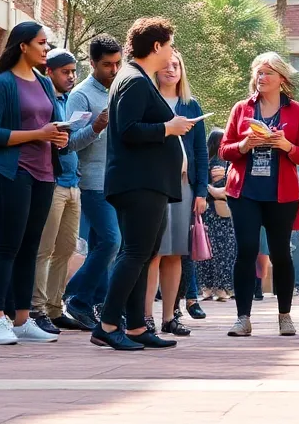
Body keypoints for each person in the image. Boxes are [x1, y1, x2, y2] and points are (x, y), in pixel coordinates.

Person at [92, 17, 193, 351]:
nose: (172, 52)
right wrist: (169, 128)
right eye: (169, 45)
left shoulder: (138, 78)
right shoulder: (134, 80)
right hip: (138, 183)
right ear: (156, 47)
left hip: (148, 182)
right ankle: (108, 324)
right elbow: (128, 129)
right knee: (135, 252)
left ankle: (136, 326)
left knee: (145, 252)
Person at [0, 21, 69, 345]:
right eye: (42, 43)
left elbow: (47, 123)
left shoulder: (45, 84)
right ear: (23, 46)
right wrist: (38, 134)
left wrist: (58, 135)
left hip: (45, 173)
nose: (46, 49)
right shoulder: (3, 84)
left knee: (30, 247)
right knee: (8, 245)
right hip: (13, 172)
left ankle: (22, 319)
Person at [220, 53, 299, 337]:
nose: (262, 78)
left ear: (282, 79)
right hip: (244, 192)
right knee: (246, 250)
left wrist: (285, 145)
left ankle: (285, 315)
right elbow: (224, 149)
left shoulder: (297, 111)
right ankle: (242, 318)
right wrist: (246, 144)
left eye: (268, 73)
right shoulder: (241, 108)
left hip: (280, 194)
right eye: (258, 73)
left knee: (281, 253)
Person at [32, 47, 97, 333]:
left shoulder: (67, 100)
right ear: (49, 72)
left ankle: (55, 307)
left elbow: (71, 143)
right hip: (53, 181)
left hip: (73, 181)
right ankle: (37, 308)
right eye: (65, 72)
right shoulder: (46, 101)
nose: (71, 77)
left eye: (73, 72)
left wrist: (93, 128)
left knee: (67, 248)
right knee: (44, 249)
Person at [63, 34, 122, 329]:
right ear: (93, 63)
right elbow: (69, 143)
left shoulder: (118, 91)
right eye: (107, 65)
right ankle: (77, 298)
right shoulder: (81, 95)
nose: (114, 70)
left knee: (104, 245)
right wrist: (97, 127)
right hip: (92, 182)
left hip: (116, 182)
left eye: (117, 63)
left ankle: (97, 304)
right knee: (112, 241)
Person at [148, 51, 208, 336]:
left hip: (185, 186)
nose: (171, 70)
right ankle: (145, 316)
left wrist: (201, 191)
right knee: (153, 252)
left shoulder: (191, 105)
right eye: (166, 65)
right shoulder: (148, 100)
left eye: (176, 66)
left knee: (175, 253)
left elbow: (201, 152)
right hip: (154, 184)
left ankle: (169, 316)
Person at [196, 128, 236, 301]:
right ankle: (215, 288)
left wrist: (213, 190)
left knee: (216, 251)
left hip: (217, 213)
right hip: (215, 213)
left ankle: (213, 288)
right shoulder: (211, 162)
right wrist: (216, 190)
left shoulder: (225, 163)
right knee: (215, 251)